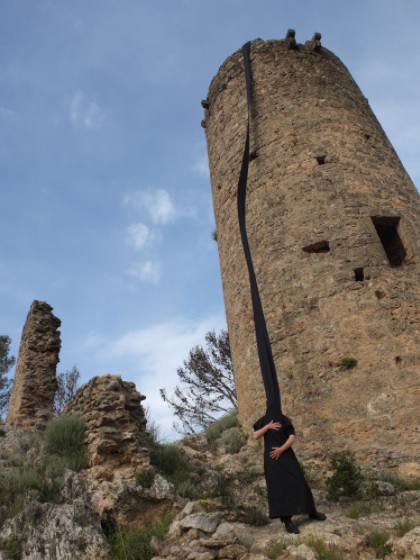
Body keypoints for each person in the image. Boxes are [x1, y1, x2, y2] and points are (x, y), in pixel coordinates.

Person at [253, 407, 326, 534]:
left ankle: (311, 511)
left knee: (300, 481)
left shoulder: (284, 419)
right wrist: (268, 427)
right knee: (279, 487)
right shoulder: (263, 421)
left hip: (286, 455)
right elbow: (255, 435)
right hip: (272, 460)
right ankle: (287, 521)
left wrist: (281, 449)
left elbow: (292, 437)